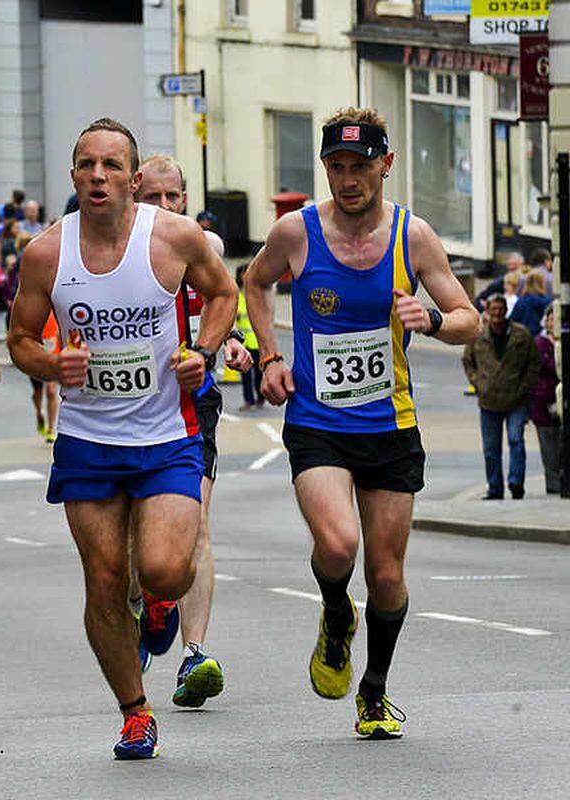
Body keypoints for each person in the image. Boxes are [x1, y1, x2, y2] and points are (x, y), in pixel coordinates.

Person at [244, 108, 480, 740]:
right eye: (336, 167)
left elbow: (468, 319)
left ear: (386, 165)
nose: (348, 180)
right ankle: (331, 612)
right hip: (318, 422)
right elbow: (254, 282)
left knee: (387, 575)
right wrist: (269, 355)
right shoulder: (296, 233)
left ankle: (373, 690)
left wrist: (429, 318)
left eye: (360, 166)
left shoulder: (414, 236)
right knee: (339, 544)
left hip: (390, 426)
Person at [7, 118, 237, 759]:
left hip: (167, 434)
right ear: (73, 175)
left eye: (111, 165)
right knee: (105, 582)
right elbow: (20, 339)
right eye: (86, 165)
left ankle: (161, 604)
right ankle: (135, 712)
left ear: (133, 179)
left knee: (163, 570)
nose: (98, 176)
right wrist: (52, 364)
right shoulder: (47, 253)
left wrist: (203, 350)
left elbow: (223, 292)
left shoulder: (174, 238)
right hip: (87, 441)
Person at [131, 152, 253, 709]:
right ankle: (144, 607)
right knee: (138, 542)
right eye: (151, 198)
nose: (164, 208)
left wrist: (231, 345)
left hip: (191, 403)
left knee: (196, 524)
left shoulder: (204, 249)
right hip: (126, 409)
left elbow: (225, 303)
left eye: (172, 197)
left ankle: (193, 654)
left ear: (186, 198)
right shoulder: (106, 251)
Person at [461, 295, 540, 500]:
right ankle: (495, 488)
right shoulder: (478, 335)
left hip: (516, 399)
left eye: (500, 309)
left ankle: (516, 483)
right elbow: (467, 360)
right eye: (492, 309)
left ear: (506, 310)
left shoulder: (521, 335)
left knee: (516, 440)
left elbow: (534, 363)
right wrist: (478, 382)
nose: (496, 313)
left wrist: (525, 387)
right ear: (487, 311)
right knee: (491, 449)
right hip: (489, 401)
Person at [531, 306, 560, 494]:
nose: (553, 322)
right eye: (550, 319)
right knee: (548, 446)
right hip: (544, 402)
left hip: (563, 400)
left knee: (562, 445)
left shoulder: (567, 341)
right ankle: (553, 483)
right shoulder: (540, 344)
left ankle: (562, 479)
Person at [234, 264, 263, 411]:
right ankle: (248, 401)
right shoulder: (237, 296)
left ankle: (260, 396)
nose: (245, 276)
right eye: (242, 273)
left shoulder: (256, 294)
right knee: (245, 374)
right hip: (243, 343)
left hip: (256, 342)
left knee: (258, 373)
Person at [29, 312, 61, 442]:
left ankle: (50, 429)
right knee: (37, 391)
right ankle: (39, 413)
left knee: (51, 391)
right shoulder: (35, 307)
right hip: (36, 355)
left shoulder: (57, 306)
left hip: (53, 353)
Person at [509, 270, 552, 337]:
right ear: (542, 283)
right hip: (541, 339)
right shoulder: (548, 302)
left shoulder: (521, 301)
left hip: (523, 338)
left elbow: (512, 321)